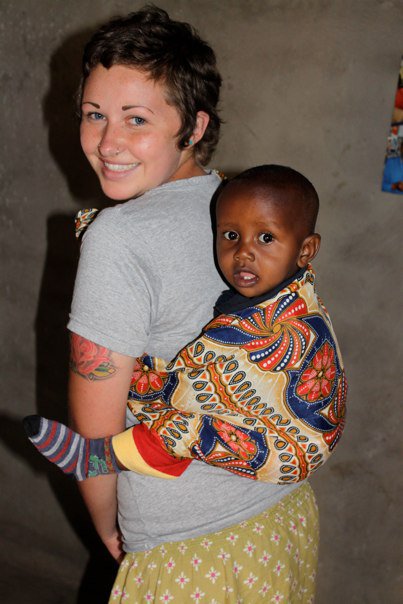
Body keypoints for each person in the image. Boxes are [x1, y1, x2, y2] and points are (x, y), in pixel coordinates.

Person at [29, 7, 328, 601]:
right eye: (94, 114)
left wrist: (108, 524)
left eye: (136, 119)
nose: (107, 143)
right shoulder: (244, 207)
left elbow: (95, 432)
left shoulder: (119, 238)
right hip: (282, 519)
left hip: (193, 548)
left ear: (193, 128)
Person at [26, 165, 347, 489]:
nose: (243, 253)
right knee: (191, 427)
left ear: (306, 250)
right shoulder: (271, 286)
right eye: (231, 235)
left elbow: (197, 384)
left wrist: (134, 375)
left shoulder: (283, 317)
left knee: (183, 427)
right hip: (288, 451)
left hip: (290, 450)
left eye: (266, 238)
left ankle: (94, 459)